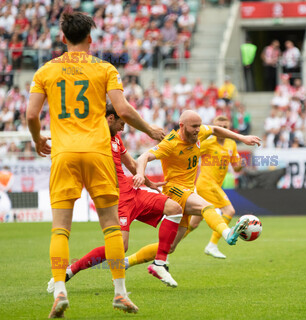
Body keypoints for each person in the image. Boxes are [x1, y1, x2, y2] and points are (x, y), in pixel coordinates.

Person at [26, 11, 164, 318]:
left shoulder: (46, 71)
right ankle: (120, 293)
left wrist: (37, 139)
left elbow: (32, 116)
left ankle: (60, 290)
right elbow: (124, 111)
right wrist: (151, 130)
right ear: (91, 38)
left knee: (60, 229)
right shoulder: (104, 68)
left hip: (64, 154)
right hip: (99, 154)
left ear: (62, 37)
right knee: (111, 227)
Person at [46, 104, 183, 293]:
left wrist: (149, 183)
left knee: (175, 208)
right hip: (115, 199)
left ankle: (159, 262)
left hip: (133, 191)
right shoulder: (93, 135)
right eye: (121, 123)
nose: (123, 128)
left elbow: (132, 164)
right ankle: (71, 270)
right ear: (110, 118)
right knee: (121, 246)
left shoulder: (116, 138)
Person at [125, 110, 261, 270]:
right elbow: (143, 157)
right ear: (182, 126)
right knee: (210, 207)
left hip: (189, 190)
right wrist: (141, 174)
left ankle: (127, 262)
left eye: (199, 125)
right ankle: (225, 235)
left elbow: (215, 130)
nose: (198, 129)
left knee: (169, 247)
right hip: (175, 190)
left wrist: (241, 138)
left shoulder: (201, 135)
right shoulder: (171, 143)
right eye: (194, 126)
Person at [183, 116, 244, 258]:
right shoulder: (207, 142)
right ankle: (212, 245)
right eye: (219, 127)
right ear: (214, 129)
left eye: (225, 127)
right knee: (229, 210)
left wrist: (240, 164)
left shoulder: (231, 144)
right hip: (206, 183)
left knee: (194, 223)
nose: (223, 129)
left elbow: (236, 168)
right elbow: (190, 153)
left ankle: (169, 245)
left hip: (215, 185)